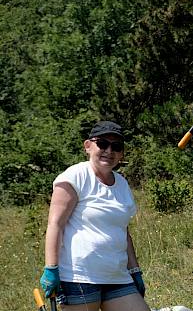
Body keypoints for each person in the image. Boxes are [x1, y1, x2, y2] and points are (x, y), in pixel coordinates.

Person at [40, 121, 150, 311]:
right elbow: (55, 224)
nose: (109, 150)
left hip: (117, 277)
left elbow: (123, 232)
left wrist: (135, 270)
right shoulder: (74, 177)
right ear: (88, 146)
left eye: (116, 147)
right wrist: (51, 268)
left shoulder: (122, 184)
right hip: (79, 277)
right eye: (102, 144)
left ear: (122, 154)